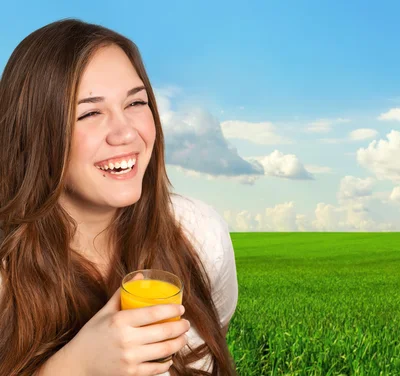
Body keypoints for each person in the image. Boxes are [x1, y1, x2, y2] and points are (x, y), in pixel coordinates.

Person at [0, 18, 238, 376]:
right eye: (90, 112)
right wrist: (75, 367)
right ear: (34, 133)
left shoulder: (201, 235)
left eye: (136, 103)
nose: (126, 132)